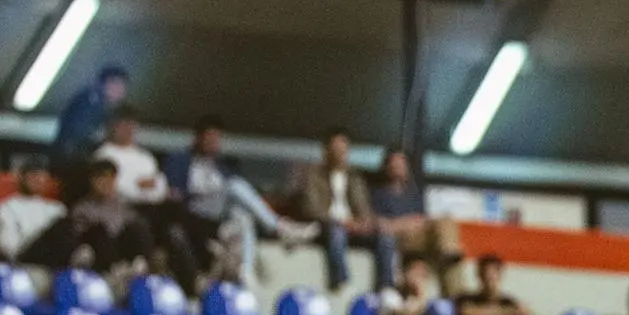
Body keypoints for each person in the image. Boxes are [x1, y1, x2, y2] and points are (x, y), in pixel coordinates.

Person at [161, 116, 305, 288]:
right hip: (194, 210)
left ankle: (245, 271)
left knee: (243, 217)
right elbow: (173, 193)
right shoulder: (179, 160)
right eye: (209, 138)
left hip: (220, 213)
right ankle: (279, 227)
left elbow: (242, 199)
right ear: (198, 138)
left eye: (216, 138)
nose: (213, 142)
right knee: (234, 185)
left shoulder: (221, 166)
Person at [289, 128, 394, 291]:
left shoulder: (354, 177)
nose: (340, 153)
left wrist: (364, 222)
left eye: (343, 149)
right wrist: (341, 222)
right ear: (326, 151)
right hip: (327, 225)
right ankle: (340, 280)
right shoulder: (312, 175)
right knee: (337, 233)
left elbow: (363, 207)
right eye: (336, 149)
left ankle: (386, 287)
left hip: (353, 227)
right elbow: (310, 208)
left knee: (385, 236)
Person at [371, 148, 464, 292]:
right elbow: (381, 225)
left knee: (446, 220)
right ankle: (447, 252)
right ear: (386, 166)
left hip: (419, 238)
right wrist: (406, 223)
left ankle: (449, 255)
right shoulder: (377, 194)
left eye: (401, 163)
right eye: (394, 163)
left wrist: (412, 222)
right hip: (398, 239)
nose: (398, 167)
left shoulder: (413, 195)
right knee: (437, 230)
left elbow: (421, 219)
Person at [66, 159, 157, 272]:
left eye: (111, 178)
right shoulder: (81, 208)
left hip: (123, 251)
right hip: (99, 256)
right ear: (92, 180)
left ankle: (141, 267)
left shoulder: (123, 202)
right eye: (101, 178)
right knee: (99, 231)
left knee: (140, 226)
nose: (106, 183)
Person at [52, 64, 129, 182]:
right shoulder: (85, 104)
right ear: (102, 84)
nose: (119, 90)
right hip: (72, 168)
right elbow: (79, 138)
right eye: (115, 85)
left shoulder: (108, 110)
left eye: (122, 86)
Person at [0, 161, 67, 264]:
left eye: (42, 176)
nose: (38, 179)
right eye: (33, 175)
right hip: (24, 260)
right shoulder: (8, 206)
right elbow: (8, 246)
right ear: (22, 178)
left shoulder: (57, 208)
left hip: (56, 263)